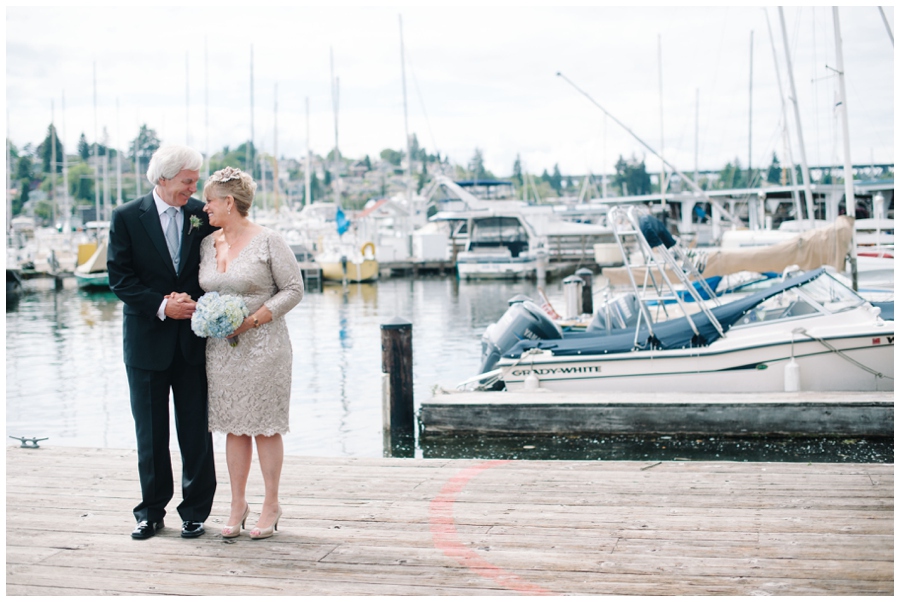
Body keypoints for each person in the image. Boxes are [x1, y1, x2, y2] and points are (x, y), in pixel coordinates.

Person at [107, 145, 218, 540]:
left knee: (195, 431)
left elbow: (213, 271)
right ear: (163, 179)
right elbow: (120, 279)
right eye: (188, 181)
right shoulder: (125, 218)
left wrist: (195, 303)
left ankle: (196, 511)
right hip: (145, 343)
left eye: (195, 180)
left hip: (192, 341)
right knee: (150, 433)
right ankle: (151, 512)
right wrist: (161, 305)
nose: (194, 187)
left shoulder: (199, 216)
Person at [199, 166, 304, 540]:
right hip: (222, 351)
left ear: (229, 202)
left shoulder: (269, 240)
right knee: (234, 426)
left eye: (209, 200)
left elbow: (293, 289)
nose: (204, 207)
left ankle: (271, 504)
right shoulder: (206, 244)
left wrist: (253, 320)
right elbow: (207, 291)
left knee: (264, 426)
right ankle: (237, 503)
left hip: (264, 346)